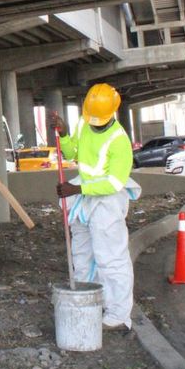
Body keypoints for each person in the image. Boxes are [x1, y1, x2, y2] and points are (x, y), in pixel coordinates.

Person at [49, 82, 141, 332]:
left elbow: (114, 182)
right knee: (82, 254)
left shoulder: (119, 141)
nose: (94, 123)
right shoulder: (84, 122)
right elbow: (72, 154)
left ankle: (119, 314)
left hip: (107, 202)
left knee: (110, 259)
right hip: (84, 199)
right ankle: (87, 300)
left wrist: (77, 189)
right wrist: (65, 134)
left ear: (111, 113)